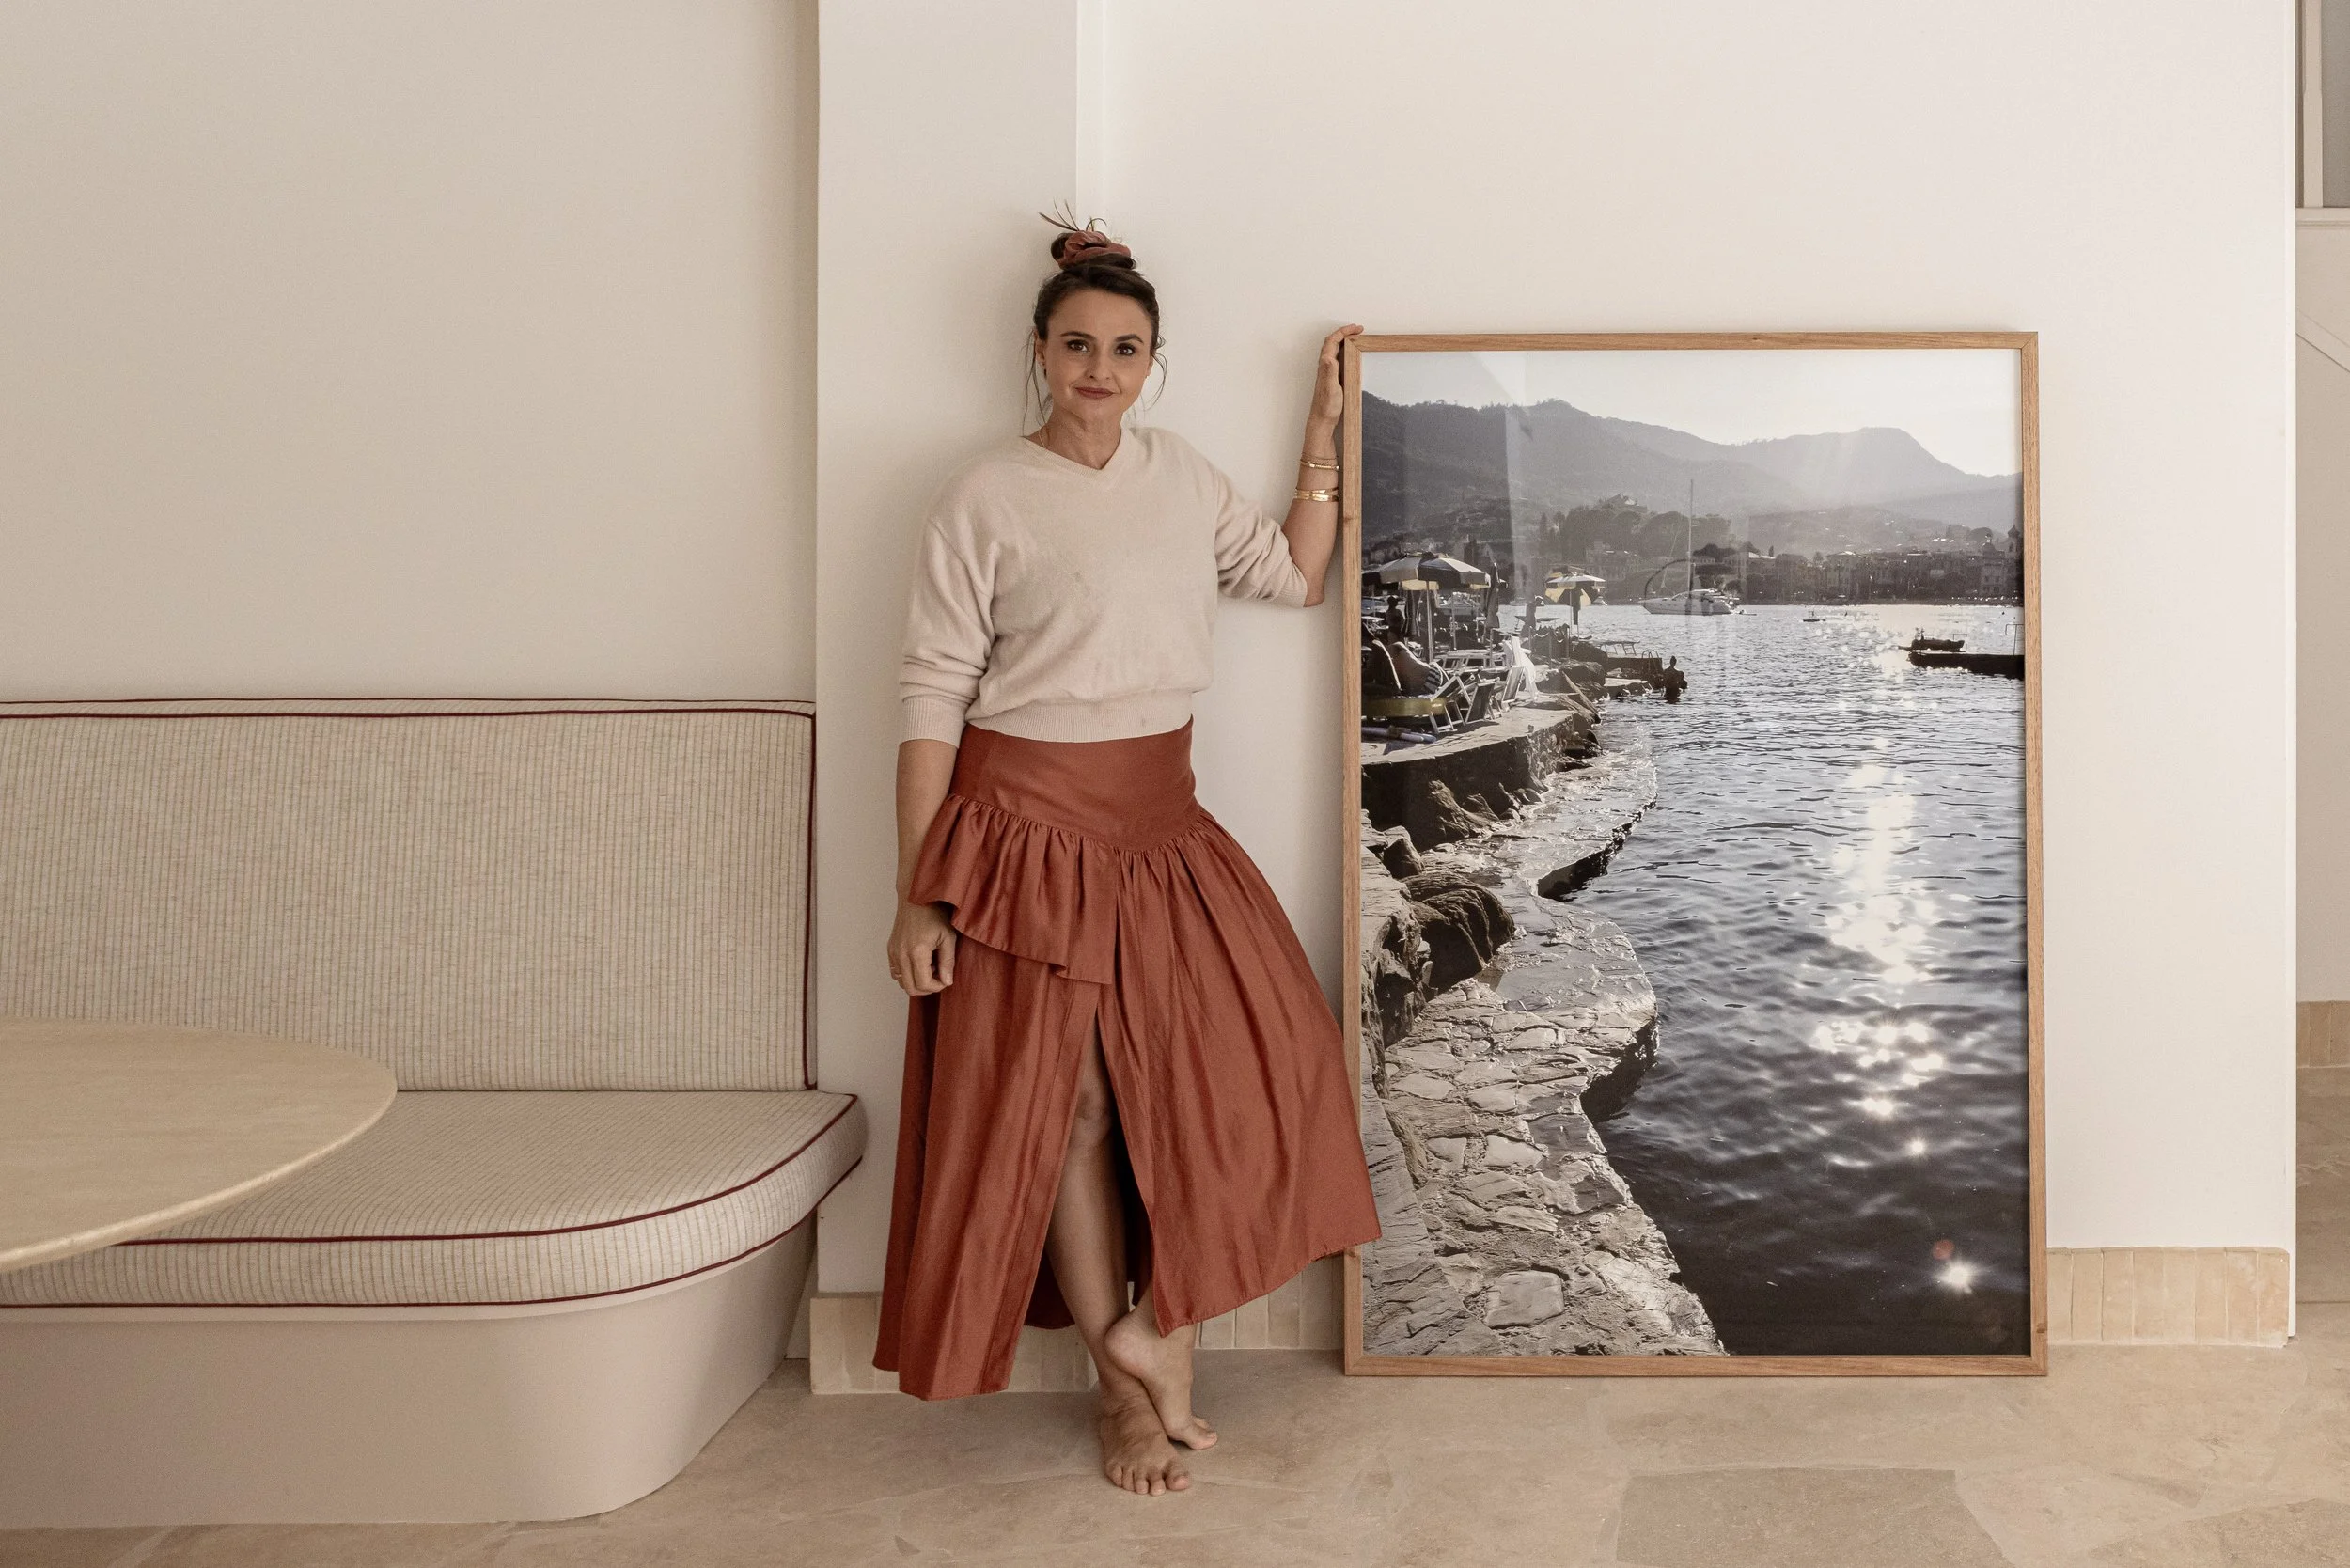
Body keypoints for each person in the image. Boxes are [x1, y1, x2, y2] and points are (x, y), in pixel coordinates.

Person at [877, 218, 1381, 1497]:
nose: (1102, 369)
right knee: (1074, 1108)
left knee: (1242, 1075)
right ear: (1039, 351)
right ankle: (1127, 1396)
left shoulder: (1181, 476)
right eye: (1079, 345)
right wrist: (921, 891)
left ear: (1155, 362)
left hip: (1163, 822)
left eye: (1128, 349)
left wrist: (1319, 440)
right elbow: (932, 698)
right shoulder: (983, 495)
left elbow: (1294, 576)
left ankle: (1155, 1334)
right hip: (1020, 831)